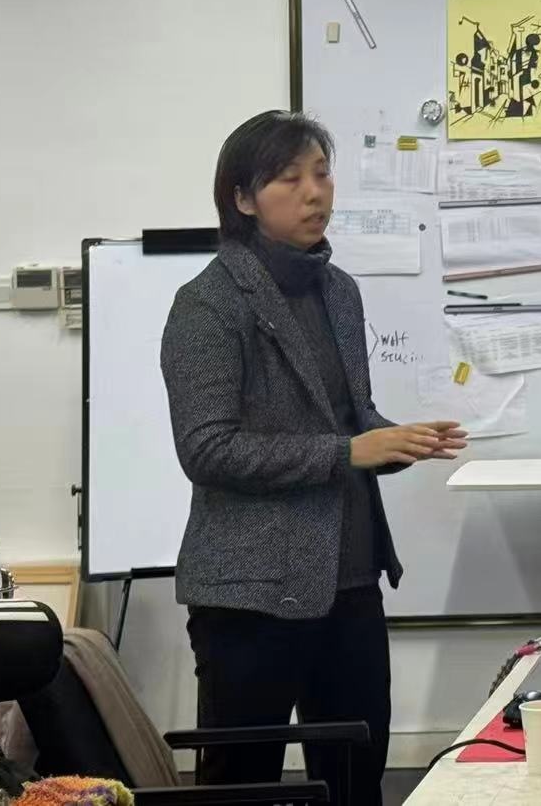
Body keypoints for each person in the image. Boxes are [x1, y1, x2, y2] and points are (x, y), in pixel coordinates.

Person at [161, 112, 468, 806]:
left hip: (350, 581)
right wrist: (349, 451)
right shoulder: (207, 304)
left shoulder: (339, 290)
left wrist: (396, 441)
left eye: (322, 174)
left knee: (357, 780)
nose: (314, 193)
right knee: (242, 790)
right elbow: (207, 449)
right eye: (290, 179)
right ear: (243, 198)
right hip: (249, 594)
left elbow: (348, 421)